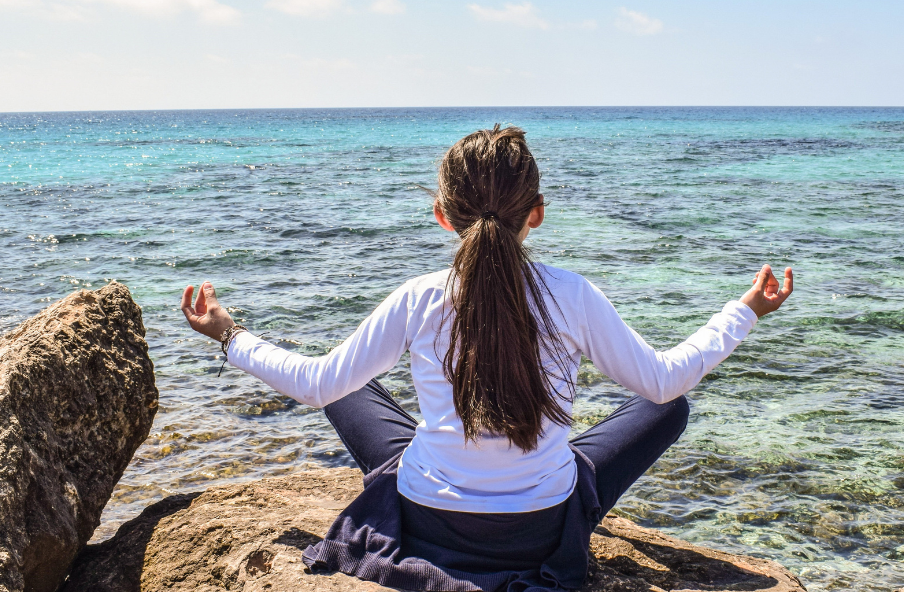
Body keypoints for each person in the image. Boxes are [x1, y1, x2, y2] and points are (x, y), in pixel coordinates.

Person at [180, 124, 793, 592]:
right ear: (537, 214)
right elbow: (662, 381)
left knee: (346, 383)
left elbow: (316, 383)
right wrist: (743, 313)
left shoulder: (421, 297)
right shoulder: (573, 294)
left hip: (429, 518)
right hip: (541, 527)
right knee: (669, 407)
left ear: (443, 216)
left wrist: (231, 336)